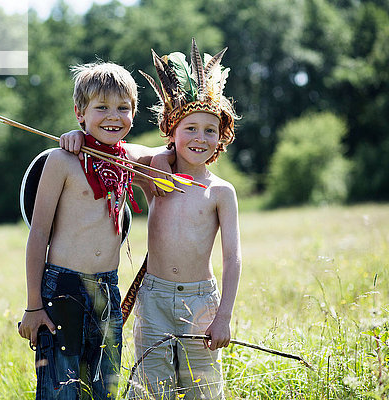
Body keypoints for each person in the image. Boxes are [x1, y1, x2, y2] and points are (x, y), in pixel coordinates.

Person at [60, 39, 241, 400]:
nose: (200, 138)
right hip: (154, 296)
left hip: (201, 300)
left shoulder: (221, 192)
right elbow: (110, 149)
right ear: (171, 132)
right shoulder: (155, 175)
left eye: (210, 130)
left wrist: (223, 316)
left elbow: (232, 257)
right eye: (190, 128)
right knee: (149, 388)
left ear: (221, 138)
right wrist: (77, 136)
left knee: (202, 387)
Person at [17, 61, 145, 400]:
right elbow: (39, 234)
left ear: (134, 113)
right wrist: (33, 305)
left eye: (123, 108)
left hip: (107, 287)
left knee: (104, 388)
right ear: (79, 112)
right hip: (63, 287)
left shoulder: (126, 158)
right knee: (61, 388)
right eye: (101, 107)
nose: (113, 116)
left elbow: (168, 155)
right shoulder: (62, 159)